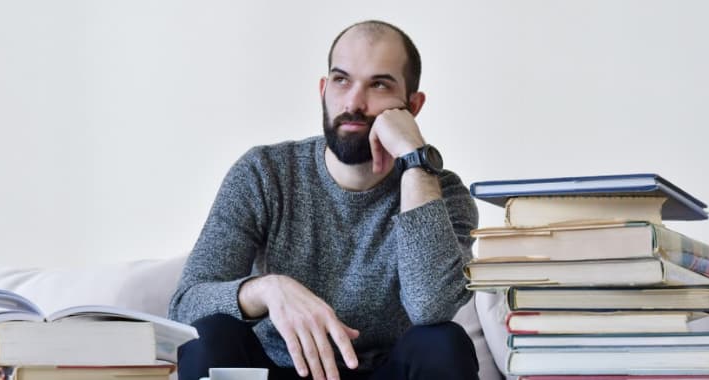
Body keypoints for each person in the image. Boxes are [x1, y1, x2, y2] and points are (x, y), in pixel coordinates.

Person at [169, 20, 479, 380]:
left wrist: (415, 161)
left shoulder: (441, 191)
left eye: (379, 84)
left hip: (384, 372)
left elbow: (431, 306)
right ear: (323, 89)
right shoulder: (264, 173)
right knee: (207, 337)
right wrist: (269, 289)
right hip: (278, 369)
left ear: (412, 105)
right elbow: (184, 307)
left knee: (442, 341)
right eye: (341, 80)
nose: (353, 102)